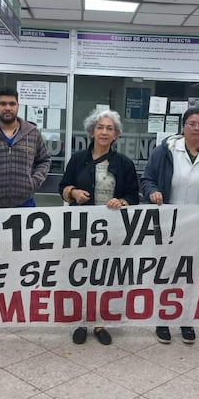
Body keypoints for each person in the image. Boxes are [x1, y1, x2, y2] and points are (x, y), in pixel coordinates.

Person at [141, 107, 199, 345]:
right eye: (192, 123)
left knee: (193, 273)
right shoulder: (165, 152)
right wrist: (152, 192)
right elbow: (147, 179)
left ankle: (187, 318)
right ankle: (163, 318)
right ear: (183, 126)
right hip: (168, 224)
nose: (196, 128)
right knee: (166, 271)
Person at [58, 109, 139, 346]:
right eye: (100, 127)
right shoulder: (77, 159)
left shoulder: (124, 164)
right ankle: (81, 320)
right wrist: (72, 192)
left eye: (109, 128)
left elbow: (133, 196)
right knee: (81, 273)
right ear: (92, 131)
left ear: (116, 135)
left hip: (111, 230)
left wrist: (121, 201)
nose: (104, 132)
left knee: (105, 275)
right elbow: (62, 187)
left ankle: (101, 322)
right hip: (81, 228)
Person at [0, 86, 51, 208]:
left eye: (12, 104)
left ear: (17, 106)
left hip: (25, 205)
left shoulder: (32, 133)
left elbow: (44, 160)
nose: (8, 108)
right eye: (3, 104)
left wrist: (34, 182)